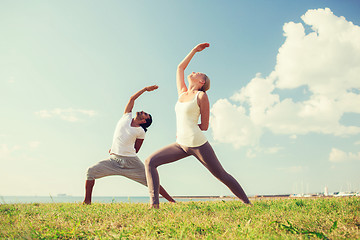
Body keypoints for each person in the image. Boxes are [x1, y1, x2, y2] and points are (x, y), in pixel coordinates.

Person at [145, 43, 251, 208]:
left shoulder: (201, 96)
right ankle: (154, 205)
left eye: (197, 73)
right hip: (181, 144)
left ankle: (247, 203)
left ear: (202, 81)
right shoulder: (182, 92)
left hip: (198, 143)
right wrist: (194, 50)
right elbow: (180, 68)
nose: (192, 72)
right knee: (150, 161)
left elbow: (205, 125)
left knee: (221, 175)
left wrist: (190, 128)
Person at [83, 85, 175, 205]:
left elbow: (136, 149)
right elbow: (132, 99)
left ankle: (171, 201)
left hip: (131, 162)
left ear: (144, 121)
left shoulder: (140, 132)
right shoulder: (126, 116)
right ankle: (87, 201)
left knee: (151, 181)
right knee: (91, 172)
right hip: (113, 160)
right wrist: (145, 89)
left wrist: (123, 149)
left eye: (145, 114)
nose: (142, 111)